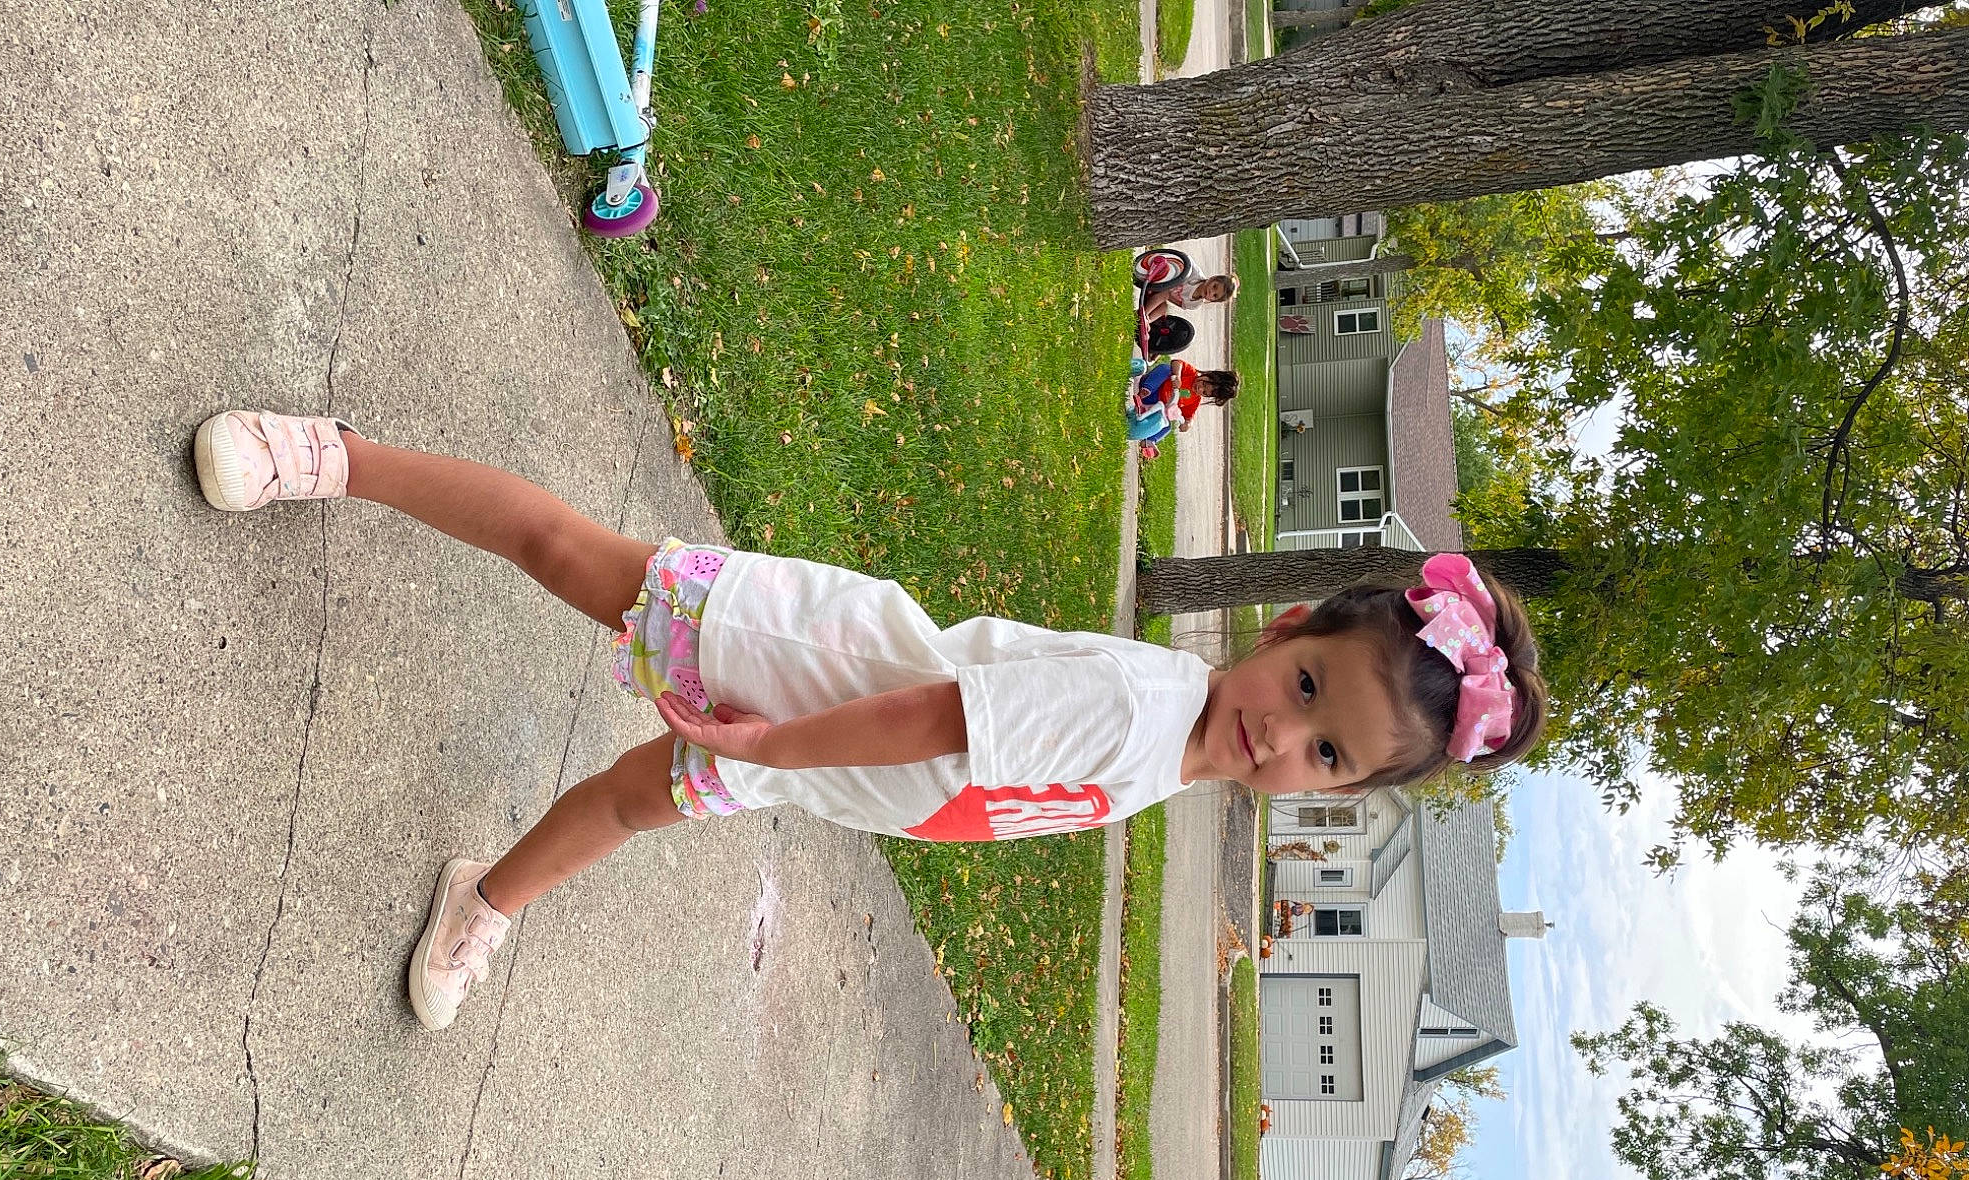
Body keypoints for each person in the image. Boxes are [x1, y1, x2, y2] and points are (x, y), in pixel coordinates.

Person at [192, 411, 1549, 1031]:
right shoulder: (1148, 705)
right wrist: (773, 744)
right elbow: (935, 717)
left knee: (623, 803)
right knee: (569, 556)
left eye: (1326, 753)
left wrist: (785, 772)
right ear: (1289, 632)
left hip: (812, 764)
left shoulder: (1177, 762)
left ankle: (481, 898)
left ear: (1325, 793)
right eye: (1307, 691)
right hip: (808, 678)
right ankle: (329, 455)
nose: (1284, 737)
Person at [1131, 360, 1239, 436]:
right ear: (1208, 375)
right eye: (1204, 384)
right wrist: (1177, 376)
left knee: (1166, 426)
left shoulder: (1195, 400)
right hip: (1154, 387)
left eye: (1205, 392)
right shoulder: (1191, 373)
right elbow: (1176, 363)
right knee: (1165, 369)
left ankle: (1149, 441)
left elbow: (1189, 417)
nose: (1200, 389)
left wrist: (1188, 424)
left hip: (1153, 405)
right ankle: (1146, 389)